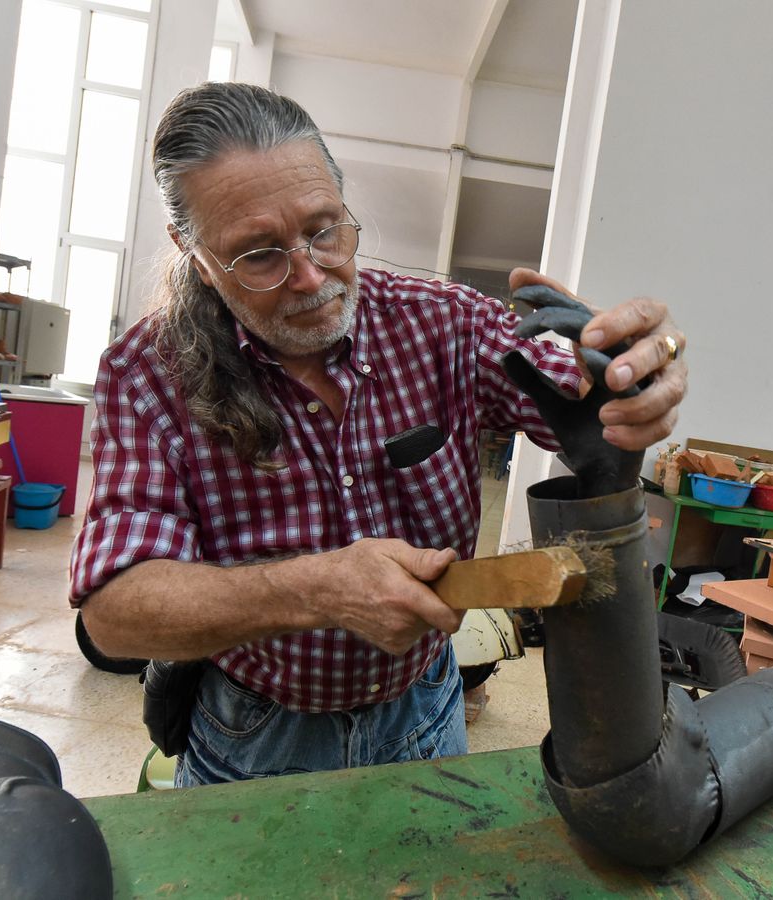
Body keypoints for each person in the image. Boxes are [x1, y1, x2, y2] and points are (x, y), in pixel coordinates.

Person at [69, 83, 688, 786]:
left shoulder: (444, 324)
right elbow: (113, 616)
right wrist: (313, 590)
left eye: (325, 229)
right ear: (193, 249)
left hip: (423, 709)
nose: (311, 276)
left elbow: (576, 382)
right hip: (255, 734)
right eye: (260, 255)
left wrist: (628, 384)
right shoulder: (149, 374)